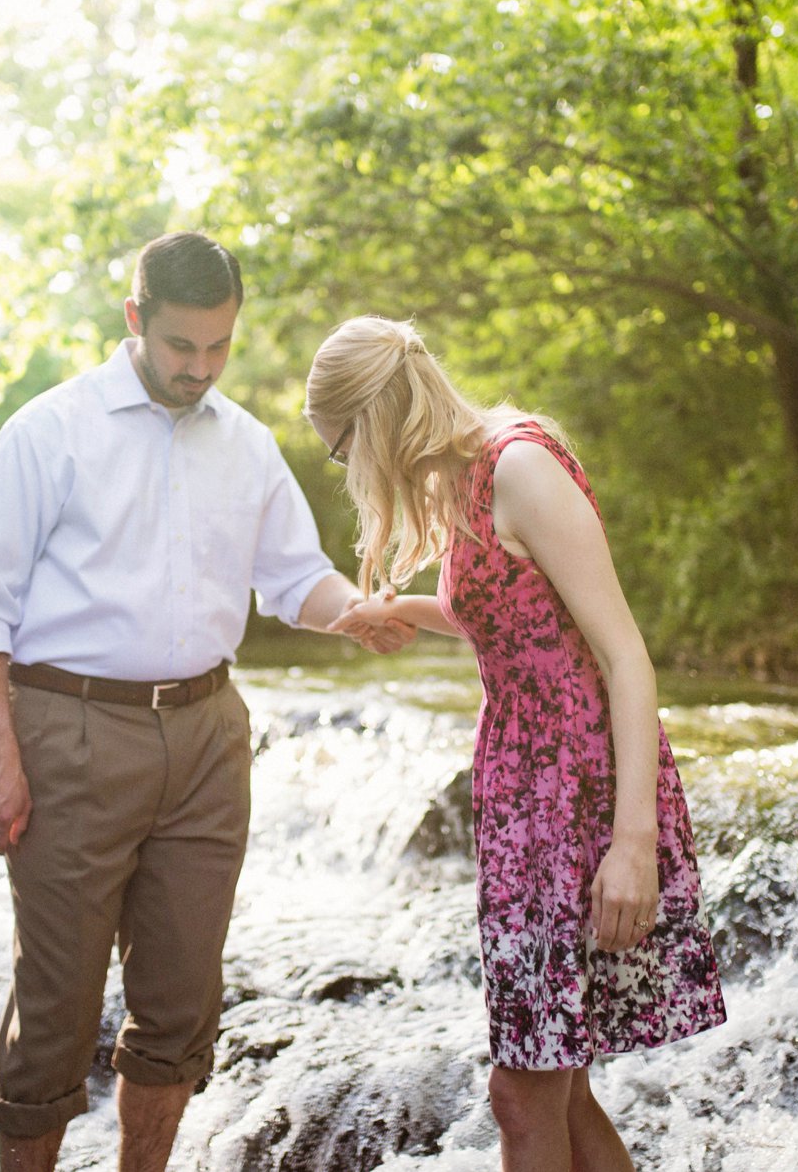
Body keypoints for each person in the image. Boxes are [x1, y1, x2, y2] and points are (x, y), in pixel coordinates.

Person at [0, 234, 414, 1172]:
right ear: (135, 321)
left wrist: (355, 613)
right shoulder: (48, 431)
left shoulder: (245, 445)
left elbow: (293, 577)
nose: (199, 369)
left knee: (184, 1000)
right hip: (69, 731)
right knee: (59, 1002)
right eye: (181, 347)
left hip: (206, 739)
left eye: (219, 347)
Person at [308, 315, 726, 1172]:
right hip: (524, 807)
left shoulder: (519, 466)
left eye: (340, 447)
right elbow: (515, 626)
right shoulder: (461, 478)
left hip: (579, 800)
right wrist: (404, 613)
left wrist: (633, 843)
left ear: (375, 417)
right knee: (551, 1090)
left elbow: (624, 655)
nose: (348, 469)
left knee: (526, 1090)